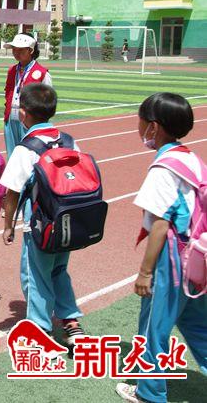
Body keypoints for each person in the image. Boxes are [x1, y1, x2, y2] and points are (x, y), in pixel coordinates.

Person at [116, 93, 207, 403]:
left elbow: (159, 225)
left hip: (172, 263)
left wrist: (145, 272)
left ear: (153, 127)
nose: (138, 126)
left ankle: (150, 393)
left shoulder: (162, 170)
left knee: (155, 329)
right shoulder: (191, 158)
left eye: (140, 120)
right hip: (197, 258)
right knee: (198, 326)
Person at [0, 83, 84, 342]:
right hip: (67, 219)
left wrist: (8, 225)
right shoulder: (69, 140)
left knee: (35, 274)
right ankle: (71, 323)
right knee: (59, 270)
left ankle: (40, 328)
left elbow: (13, 191)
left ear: (23, 114)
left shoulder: (26, 148)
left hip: (39, 223)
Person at [2, 33, 52, 159]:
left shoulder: (42, 73)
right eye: (14, 49)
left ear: (31, 50)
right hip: (11, 118)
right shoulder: (12, 70)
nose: (16, 53)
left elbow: (49, 100)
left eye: (20, 50)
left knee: (30, 156)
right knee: (12, 156)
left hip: (31, 121)